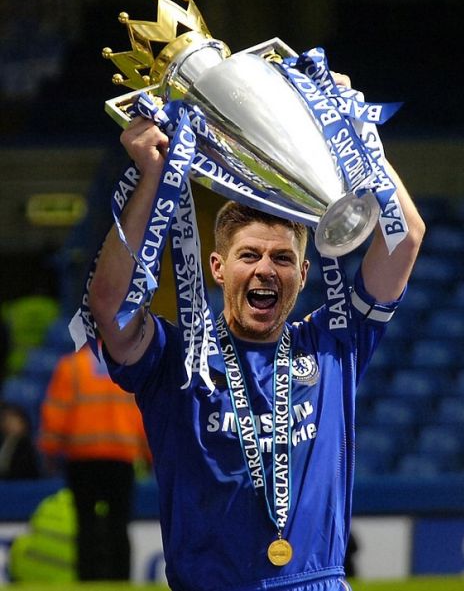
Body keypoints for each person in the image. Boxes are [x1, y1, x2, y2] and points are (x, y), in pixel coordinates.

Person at [87, 71, 425, 591]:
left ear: (305, 275)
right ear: (218, 268)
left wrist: (354, 132)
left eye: (283, 258)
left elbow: (404, 240)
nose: (266, 269)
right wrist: (152, 175)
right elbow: (109, 307)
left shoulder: (334, 344)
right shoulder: (175, 360)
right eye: (250, 255)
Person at [38, 344, 151, 581]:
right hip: (121, 456)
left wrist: (50, 450)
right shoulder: (130, 366)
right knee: (119, 524)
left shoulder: (72, 366)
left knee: (86, 524)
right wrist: (149, 454)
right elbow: (144, 412)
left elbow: (56, 411)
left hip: (82, 457)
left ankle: (88, 581)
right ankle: (121, 581)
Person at [0, 401, 41, 480]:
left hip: (20, 484)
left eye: (13, 421)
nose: (9, 423)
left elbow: (24, 470)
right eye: (7, 420)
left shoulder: (26, 444)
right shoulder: (3, 440)